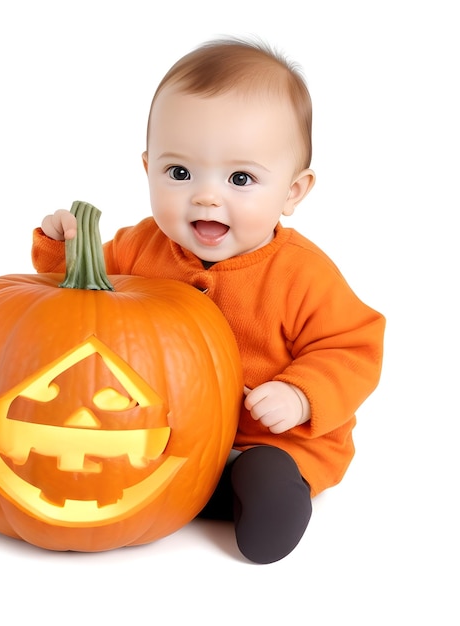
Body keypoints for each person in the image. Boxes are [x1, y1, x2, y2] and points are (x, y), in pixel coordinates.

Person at [32, 38, 385, 564]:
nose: (205, 195)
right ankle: (199, 489)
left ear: (293, 191)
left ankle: (266, 493)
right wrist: (63, 244)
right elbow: (77, 291)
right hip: (175, 433)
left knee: (266, 467)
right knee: (142, 455)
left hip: (270, 438)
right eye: (180, 173)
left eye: (240, 178)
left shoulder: (301, 275)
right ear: (148, 167)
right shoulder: (139, 246)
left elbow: (353, 346)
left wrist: (301, 395)